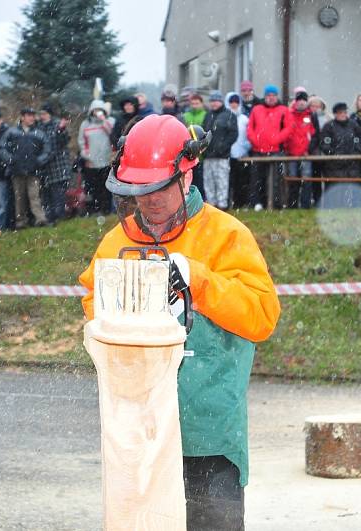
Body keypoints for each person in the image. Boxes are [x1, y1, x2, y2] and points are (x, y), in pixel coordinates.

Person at [78, 114, 280, 530]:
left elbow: (262, 317)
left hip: (208, 431)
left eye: (159, 188)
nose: (149, 201)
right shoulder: (120, 240)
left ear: (186, 177)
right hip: (138, 430)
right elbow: (93, 301)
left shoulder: (226, 236)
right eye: (140, 190)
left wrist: (201, 282)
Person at [0, 107, 51, 227]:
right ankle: (21, 221)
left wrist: (38, 161)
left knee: (34, 196)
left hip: (34, 170)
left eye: (33, 115)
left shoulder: (39, 133)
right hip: (16, 170)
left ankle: (40, 219)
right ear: (22, 117)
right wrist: (11, 160)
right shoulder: (11, 132)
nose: (32, 117)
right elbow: (1, 148)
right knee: (19, 197)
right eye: (29, 115)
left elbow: (47, 149)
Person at [247, 84, 292, 210]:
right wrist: (255, 141)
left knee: (276, 180)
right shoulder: (257, 109)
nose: (271, 98)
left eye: (273, 95)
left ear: (277, 97)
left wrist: (277, 139)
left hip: (276, 150)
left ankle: (276, 204)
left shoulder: (284, 110)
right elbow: (250, 128)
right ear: (265, 97)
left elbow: (289, 128)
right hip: (258, 150)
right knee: (257, 179)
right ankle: (257, 203)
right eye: (268, 95)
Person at [77, 100, 115, 215]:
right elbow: (81, 142)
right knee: (94, 188)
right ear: (91, 111)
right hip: (91, 162)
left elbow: (112, 135)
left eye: (100, 110)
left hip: (107, 161)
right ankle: (95, 210)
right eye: (95, 110)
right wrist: (86, 156)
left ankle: (107, 210)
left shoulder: (110, 121)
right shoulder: (85, 124)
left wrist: (103, 120)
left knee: (106, 187)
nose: (97, 112)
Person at [202, 91, 238, 209]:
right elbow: (203, 133)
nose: (214, 103)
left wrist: (223, 147)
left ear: (221, 101)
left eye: (216, 100)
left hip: (222, 156)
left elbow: (233, 134)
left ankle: (222, 206)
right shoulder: (208, 115)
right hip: (208, 156)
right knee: (209, 183)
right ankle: (211, 206)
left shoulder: (229, 115)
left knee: (222, 182)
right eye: (212, 101)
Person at [38, 103, 73, 224]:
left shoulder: (57, 124)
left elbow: (63, 141)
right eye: (41, 114)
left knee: (58, 193)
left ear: (49, 114)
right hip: (45, 167)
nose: (42, 116)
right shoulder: (39, 127)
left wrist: (61, 129)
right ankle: (50, 217)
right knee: (46, 195)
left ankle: (60, 217)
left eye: (44, 114)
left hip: (59, 165)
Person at [284, 90, 319, 208]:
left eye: (304, 100)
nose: (301, 103)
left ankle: (305, 204)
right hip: (292, 153)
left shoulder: (311, 115)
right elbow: (285, 133)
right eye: (299, 100)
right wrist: (287, 148)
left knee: (306, 179)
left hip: (305, 154)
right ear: (296, 101)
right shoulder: (289, 114)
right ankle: (292, 204)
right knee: (293, 179)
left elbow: (315, 135)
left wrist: (309, 149)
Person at [320, 102, 361, 187]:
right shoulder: (328, 126)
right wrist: (334, 154)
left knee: (352, 191)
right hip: (334, 167)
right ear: (335, 114)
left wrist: (356, 152)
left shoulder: (354, 125)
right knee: (335, 191)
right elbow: (324, 144)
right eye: (340, 113)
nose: (343, 115)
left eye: (345, 112)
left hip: (352, 166)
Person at [226, 92, 252, 209]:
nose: (234, 104)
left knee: (242, 181)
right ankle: (229, 203)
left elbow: (248, 135)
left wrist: (246, 147)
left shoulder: (244, 119)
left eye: (236, 102)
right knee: (229, 181)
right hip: (228, 154)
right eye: (231, 102)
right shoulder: (225, 117)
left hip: (242, 154)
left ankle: (241, 203)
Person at [184, 93, 209, 201]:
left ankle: (202, 200)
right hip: (188, 153)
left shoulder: (206, 115)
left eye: (197, 103)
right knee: (188, 179)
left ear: (201, 104)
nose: (195, 105)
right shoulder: (185, 116)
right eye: (193, 103)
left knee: (200, 180)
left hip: (201, 153)